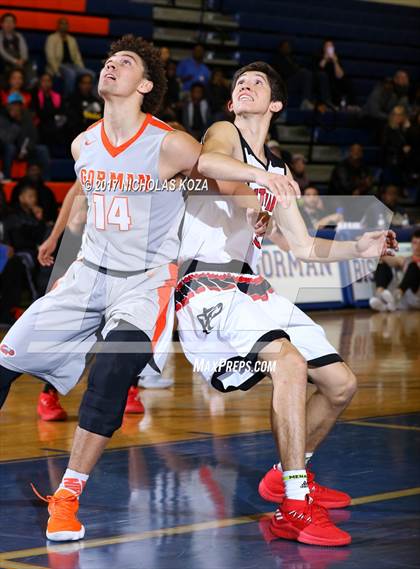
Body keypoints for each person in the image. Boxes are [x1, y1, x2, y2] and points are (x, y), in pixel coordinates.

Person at [0, 35, 258, 541]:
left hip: (143, 284)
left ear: (144, 85)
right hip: (86, 275)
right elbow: (82, 186)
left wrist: (258, 188)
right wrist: (56, 235)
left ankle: (68, 496)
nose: (110, 65)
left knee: (113, 374)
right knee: (2, 363)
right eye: (109, 60)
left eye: (125, 62)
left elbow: (210, 172)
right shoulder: (83, 143)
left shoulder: (167, 141)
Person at [178, 61, 397, 546]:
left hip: (253, 289)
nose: (245, 84)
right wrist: (259, 186)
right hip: (208, 287)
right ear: (232, 103)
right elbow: (207, 164)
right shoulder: (223, 134)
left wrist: (355, 249)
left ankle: (284, 474)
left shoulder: (276, 169)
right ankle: (293, 507)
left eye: (257, 82)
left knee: (341, 384)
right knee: (291, 364)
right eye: (239, 83)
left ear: (275, 104)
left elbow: (301, 246)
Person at [0, 92, 51, 180]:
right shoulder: (2, 118)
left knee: (43, 150)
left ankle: (46, 179)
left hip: (26, 149)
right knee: (10, 148)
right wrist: (16, 122)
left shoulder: (26, 117)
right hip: (9, 150)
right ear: (8, 106)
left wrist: (26, 149)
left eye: (19, 104)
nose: (16, 107)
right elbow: (7, 139)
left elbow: (34, 136)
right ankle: (7, 177)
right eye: (13, 104)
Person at [370, 229, 420, 312]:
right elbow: (391, 259)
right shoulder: (406, 259)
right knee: (382, 264)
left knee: (413, 266)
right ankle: (381, 296)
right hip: (404, 298)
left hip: (416, 297)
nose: (418, 247)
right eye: (415, 243)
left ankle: (395, 297)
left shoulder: (412, 264)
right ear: (411, 244)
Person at [45, 18, 95, 96]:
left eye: (66, 24)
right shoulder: (52, 38)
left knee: (91, 74)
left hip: (72, 65)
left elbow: (77, 56)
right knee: (71, 74)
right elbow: (50, 57)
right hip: (59, 65)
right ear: (58, 25)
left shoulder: (72, 39)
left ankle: (92, 98)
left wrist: (82, 68)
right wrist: (56, 71)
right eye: (62, 23)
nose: (64, 26)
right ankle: (68, 98)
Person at [31, 72, 66, 156]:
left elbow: (61, 113)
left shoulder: (57, 96)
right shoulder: (35, 95)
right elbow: (39, 114)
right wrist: (51, 113)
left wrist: (48, 113)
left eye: (48, 81)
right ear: (39, 82)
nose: (46, 83)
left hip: (54, 125)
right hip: (40, 125)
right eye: (44, 81)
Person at [272, 41, 313, 109]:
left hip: (294, 81)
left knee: (307, 74)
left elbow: (297, 68)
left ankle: (306, 101)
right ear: (281, 48)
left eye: (288, 47)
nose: (287, 48)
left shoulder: (292, 58)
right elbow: (284, 73)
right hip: (285, 83)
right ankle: (305, 102)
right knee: (304, 73)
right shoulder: (277, 59)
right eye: (285, 47)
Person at [314, 40, 353, 108]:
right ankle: (327, 104)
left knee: (347, 81)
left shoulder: (336, 59)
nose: (329, 48)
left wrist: (335, 62)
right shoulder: (318, 56)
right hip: (322, 83)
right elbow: (318, 69)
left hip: (334, 83)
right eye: (327, 46)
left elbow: (340, 76)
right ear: (324, 48)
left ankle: (348, 105)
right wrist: (325, 59)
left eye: (331, 46)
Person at [65, 73, 103, 141]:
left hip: (96, 136)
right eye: (84, 83)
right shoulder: (72, 100)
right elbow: (72, 123)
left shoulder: (97, 101)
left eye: (89, 83)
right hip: (78, 137)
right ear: (79, 84)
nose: (87, 86)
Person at [381, 105, 411, 186]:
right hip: (391, 158)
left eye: (400, 115)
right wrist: (401, 149)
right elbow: (385, 145)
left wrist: (408, 130)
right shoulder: (388, 128)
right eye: (396, 114)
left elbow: (411, 142)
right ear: (392, 115)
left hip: (403, 159)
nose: (398, 117)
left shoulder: (406, 128)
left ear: (404, 116)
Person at [0, 12, 33, 84]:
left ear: (14, 25)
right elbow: (2, 52)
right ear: (2, 24)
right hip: (5, 61)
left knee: (30, 65)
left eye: (11, 22)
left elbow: (24, 50)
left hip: (19, 60)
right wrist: (15, 61)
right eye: (6, 21)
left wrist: (23, 60)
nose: (9, 24)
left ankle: (30, 85)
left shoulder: (19, 35)